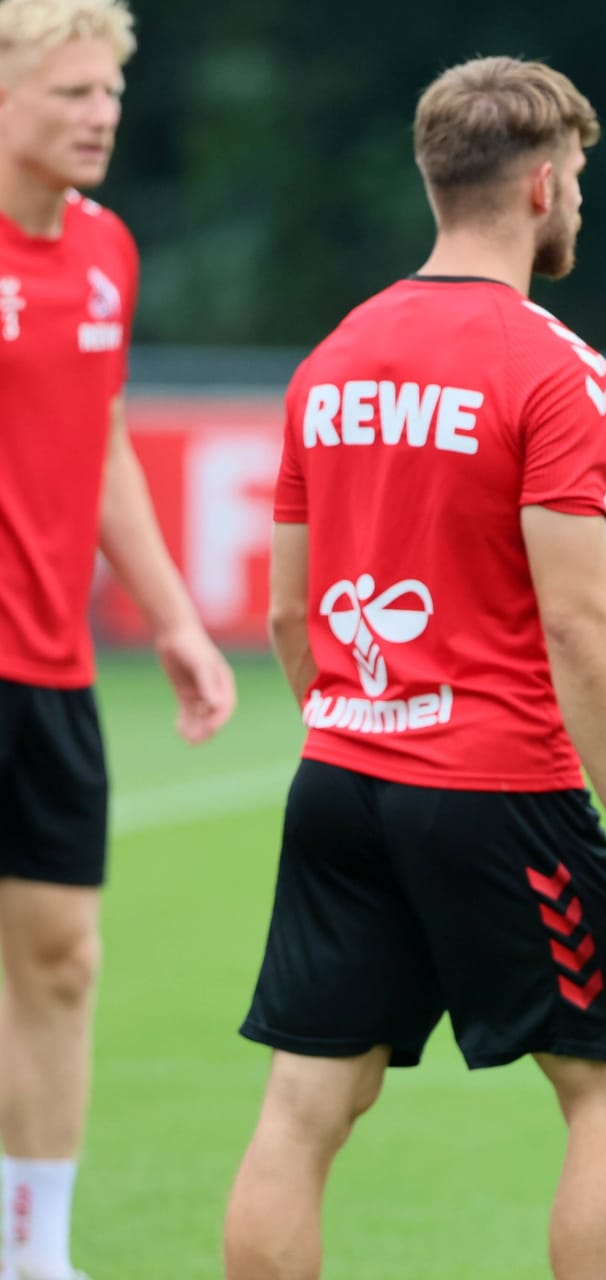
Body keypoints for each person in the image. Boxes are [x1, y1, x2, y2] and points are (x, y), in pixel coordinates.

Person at [221, 56, 606, 1280]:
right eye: (577, 174)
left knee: (304, 1110)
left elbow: (286, 610)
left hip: (342, 773)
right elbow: (579, 621)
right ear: (539, 185)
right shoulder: (554, 367)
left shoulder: (332, 359)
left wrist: (364, 721)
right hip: (497, 790)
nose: (581, 198)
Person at [0, 2, 236, 1276]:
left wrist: (178, 620)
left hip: (51, 668)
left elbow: (100, 443)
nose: (100, 115)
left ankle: (33, 1254)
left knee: (62, 963)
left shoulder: (105, 251)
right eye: (70, 92)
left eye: (110, 93)